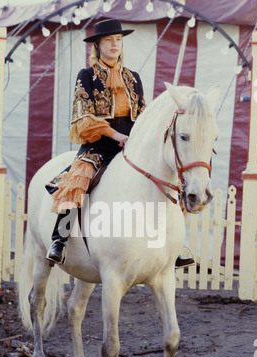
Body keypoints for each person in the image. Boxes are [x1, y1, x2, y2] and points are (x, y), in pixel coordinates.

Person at [46, 19, 194, 270]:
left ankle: (175, 245)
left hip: (133, 143)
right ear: (98, 45)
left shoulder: (133, 78)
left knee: (169, 181)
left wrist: (141, 138)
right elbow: (83, 117)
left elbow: (144, 115)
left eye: (118, 40)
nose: (115, 44)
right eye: (109, 40)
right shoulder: (87, 76)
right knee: (77, 180)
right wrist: (116, 136)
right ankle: (59, 240)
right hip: (99, 144)